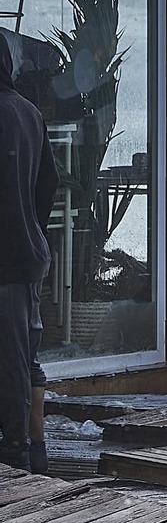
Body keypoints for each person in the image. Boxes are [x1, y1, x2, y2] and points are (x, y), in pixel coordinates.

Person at [0, 36, 57, 473]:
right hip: (25, 255)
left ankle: (16, 458)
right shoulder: (28, 112)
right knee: (21, 357)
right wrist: (31, 228)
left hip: (10, 258)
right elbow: (47, 187)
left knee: (12, 361)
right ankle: (29, 451)